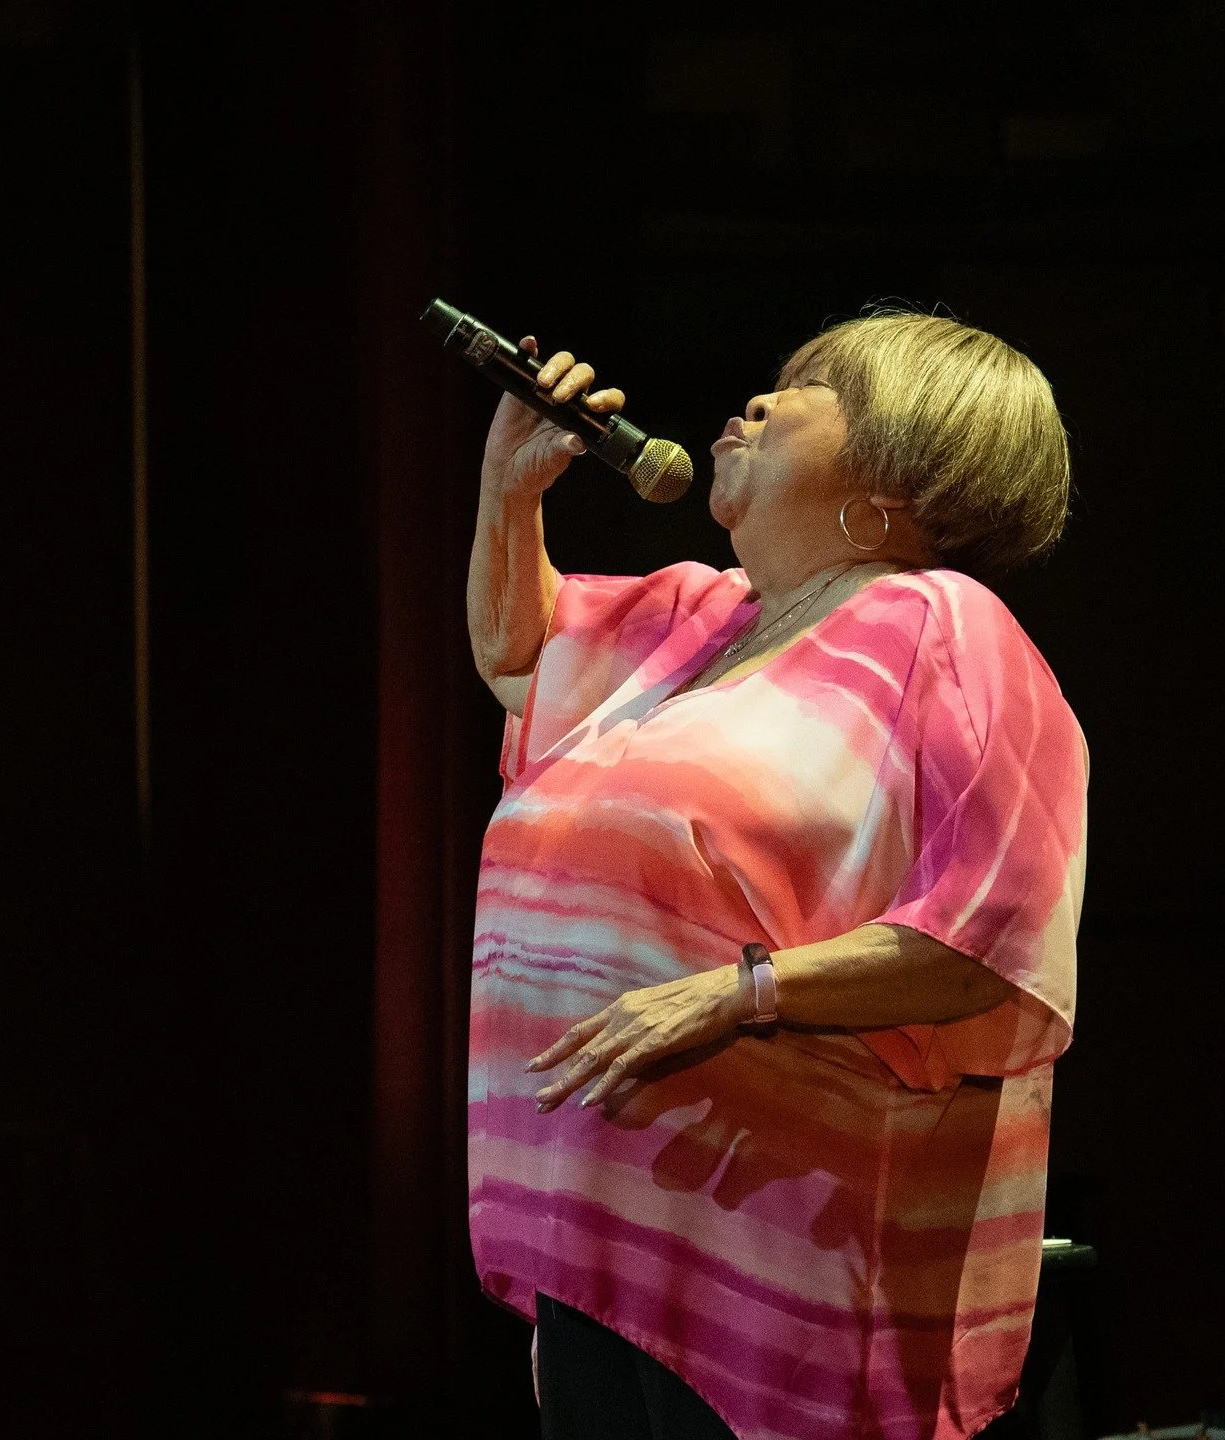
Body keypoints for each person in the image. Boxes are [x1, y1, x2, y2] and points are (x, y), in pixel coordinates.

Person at [465, 309, 1087, 1440]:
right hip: (599, 1212)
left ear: (904, 464)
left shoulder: (940, 627)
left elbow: (989, 938)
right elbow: (519, 659)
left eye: (808, 390)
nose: (754, 404)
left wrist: (730, 992)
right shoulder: (700, 620)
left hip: (783, 1257)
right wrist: (510, 491)